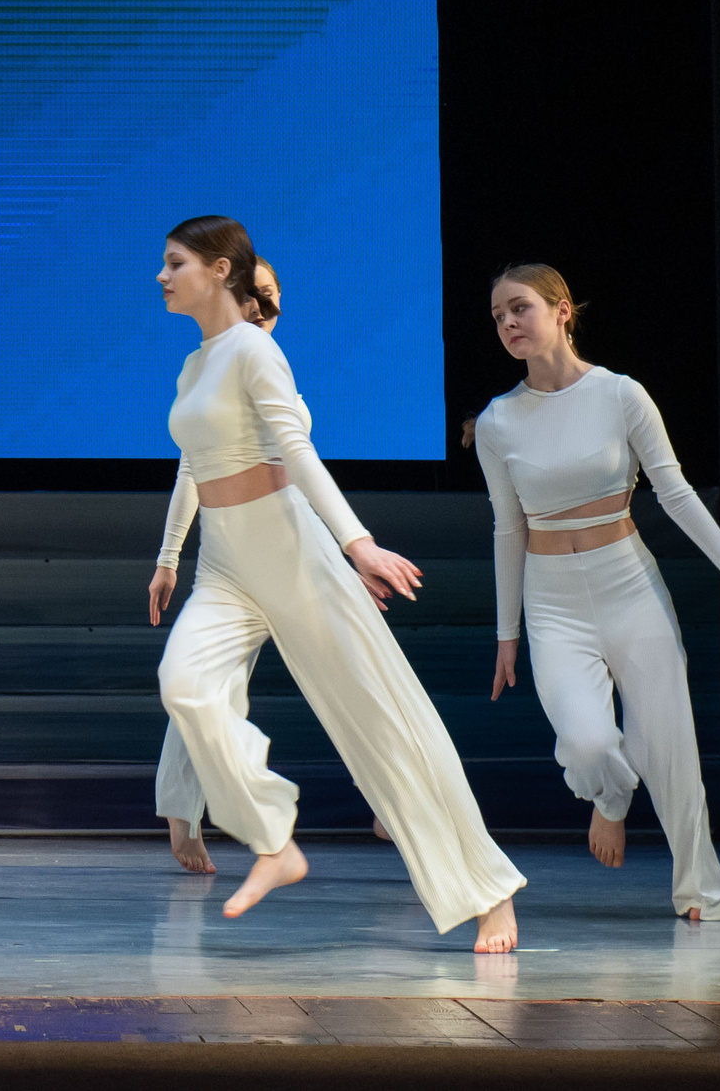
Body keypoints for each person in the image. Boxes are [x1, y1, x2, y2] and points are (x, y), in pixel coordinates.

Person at [150, 217, 524, 951]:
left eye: (174, 262)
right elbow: (193, 465)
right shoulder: (195, 366)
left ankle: (490, 889)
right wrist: (171, 553)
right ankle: (272, 839)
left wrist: (357, 544)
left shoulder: (255, 352)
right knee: (185, 684)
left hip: (291, 549)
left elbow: (298, 448)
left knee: (388, 723)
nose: (161, 277)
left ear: (221, 269)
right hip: (225, 561)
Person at [475, 264, 720, 920]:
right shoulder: (498, 421)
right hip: (552, 599)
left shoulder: (620, 395)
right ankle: (611, 799)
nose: (508, 323)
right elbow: (506, 526)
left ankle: (702, 893)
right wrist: (505, 632)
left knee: (669, 745)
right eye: (496, 315)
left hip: (628, 581)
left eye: (520, 308)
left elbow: (675, 491)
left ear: (563, 309)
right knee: (589, 742)